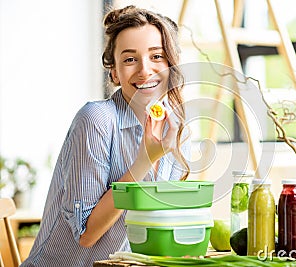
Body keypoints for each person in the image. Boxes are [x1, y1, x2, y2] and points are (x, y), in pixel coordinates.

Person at [21, 5, 190, 267]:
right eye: (130, 59)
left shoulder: (177, 131)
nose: (145, 70)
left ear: (171, 63)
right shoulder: (96, 120)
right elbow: (87, 234)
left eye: (156, 56)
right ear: (114, 72)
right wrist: (144, 161)